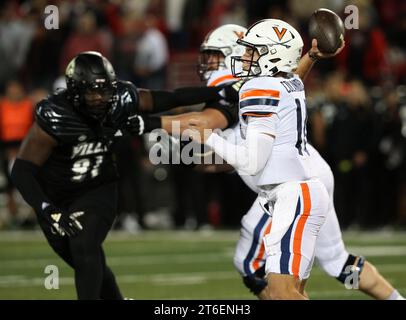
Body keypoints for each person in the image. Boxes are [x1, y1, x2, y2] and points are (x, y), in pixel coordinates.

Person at [184, 24, 404, 300]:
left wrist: (185, 133)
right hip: (310, 175)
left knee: (251, 264)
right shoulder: (271, 81)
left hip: (288, 185)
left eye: (215, 55)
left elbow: (248, 155)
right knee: (336, 262)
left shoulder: (249, 85)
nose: (209, 63)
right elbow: (284, 89)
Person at [10, 51, 237, 300]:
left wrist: (218, 92)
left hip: (97, 188)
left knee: (84, 245)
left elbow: (170, 98)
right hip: (55, 196)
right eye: (92, 92)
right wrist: (47, 209)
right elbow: (23, 170)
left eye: (105, 90)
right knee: (88, 262)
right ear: (75, 91)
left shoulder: (120, 99)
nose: (100, 98)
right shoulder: (56, 116)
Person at [189, 19, 331, 299]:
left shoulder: (261, 86)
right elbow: (293, 76)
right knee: (291, 293)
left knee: (280, 293)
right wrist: (310, 57)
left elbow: (253, 162)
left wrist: (209, 137)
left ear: (274, 54)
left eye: (252, 51)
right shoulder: (288, 81)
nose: (243, 58)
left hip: (292, 195)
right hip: (297, 194)